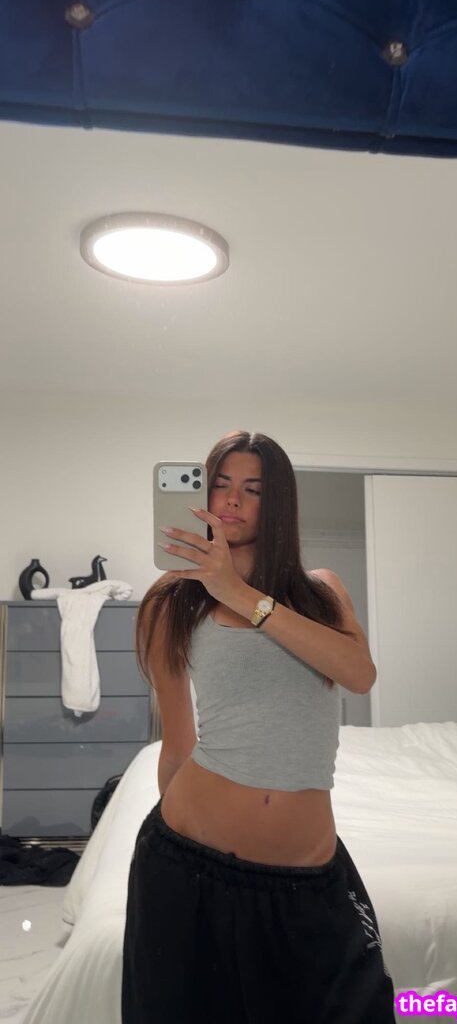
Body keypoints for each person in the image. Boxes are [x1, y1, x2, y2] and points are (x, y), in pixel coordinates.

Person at [121, 430, 396, 1023]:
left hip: (310, 875)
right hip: (188, 865)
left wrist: (239, 593)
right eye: (220, 484)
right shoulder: (172, 601)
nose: (231, 500)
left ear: (279, 505)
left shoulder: (321, 591)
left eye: (253, 489)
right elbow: (177, 742)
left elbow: (359, 674)